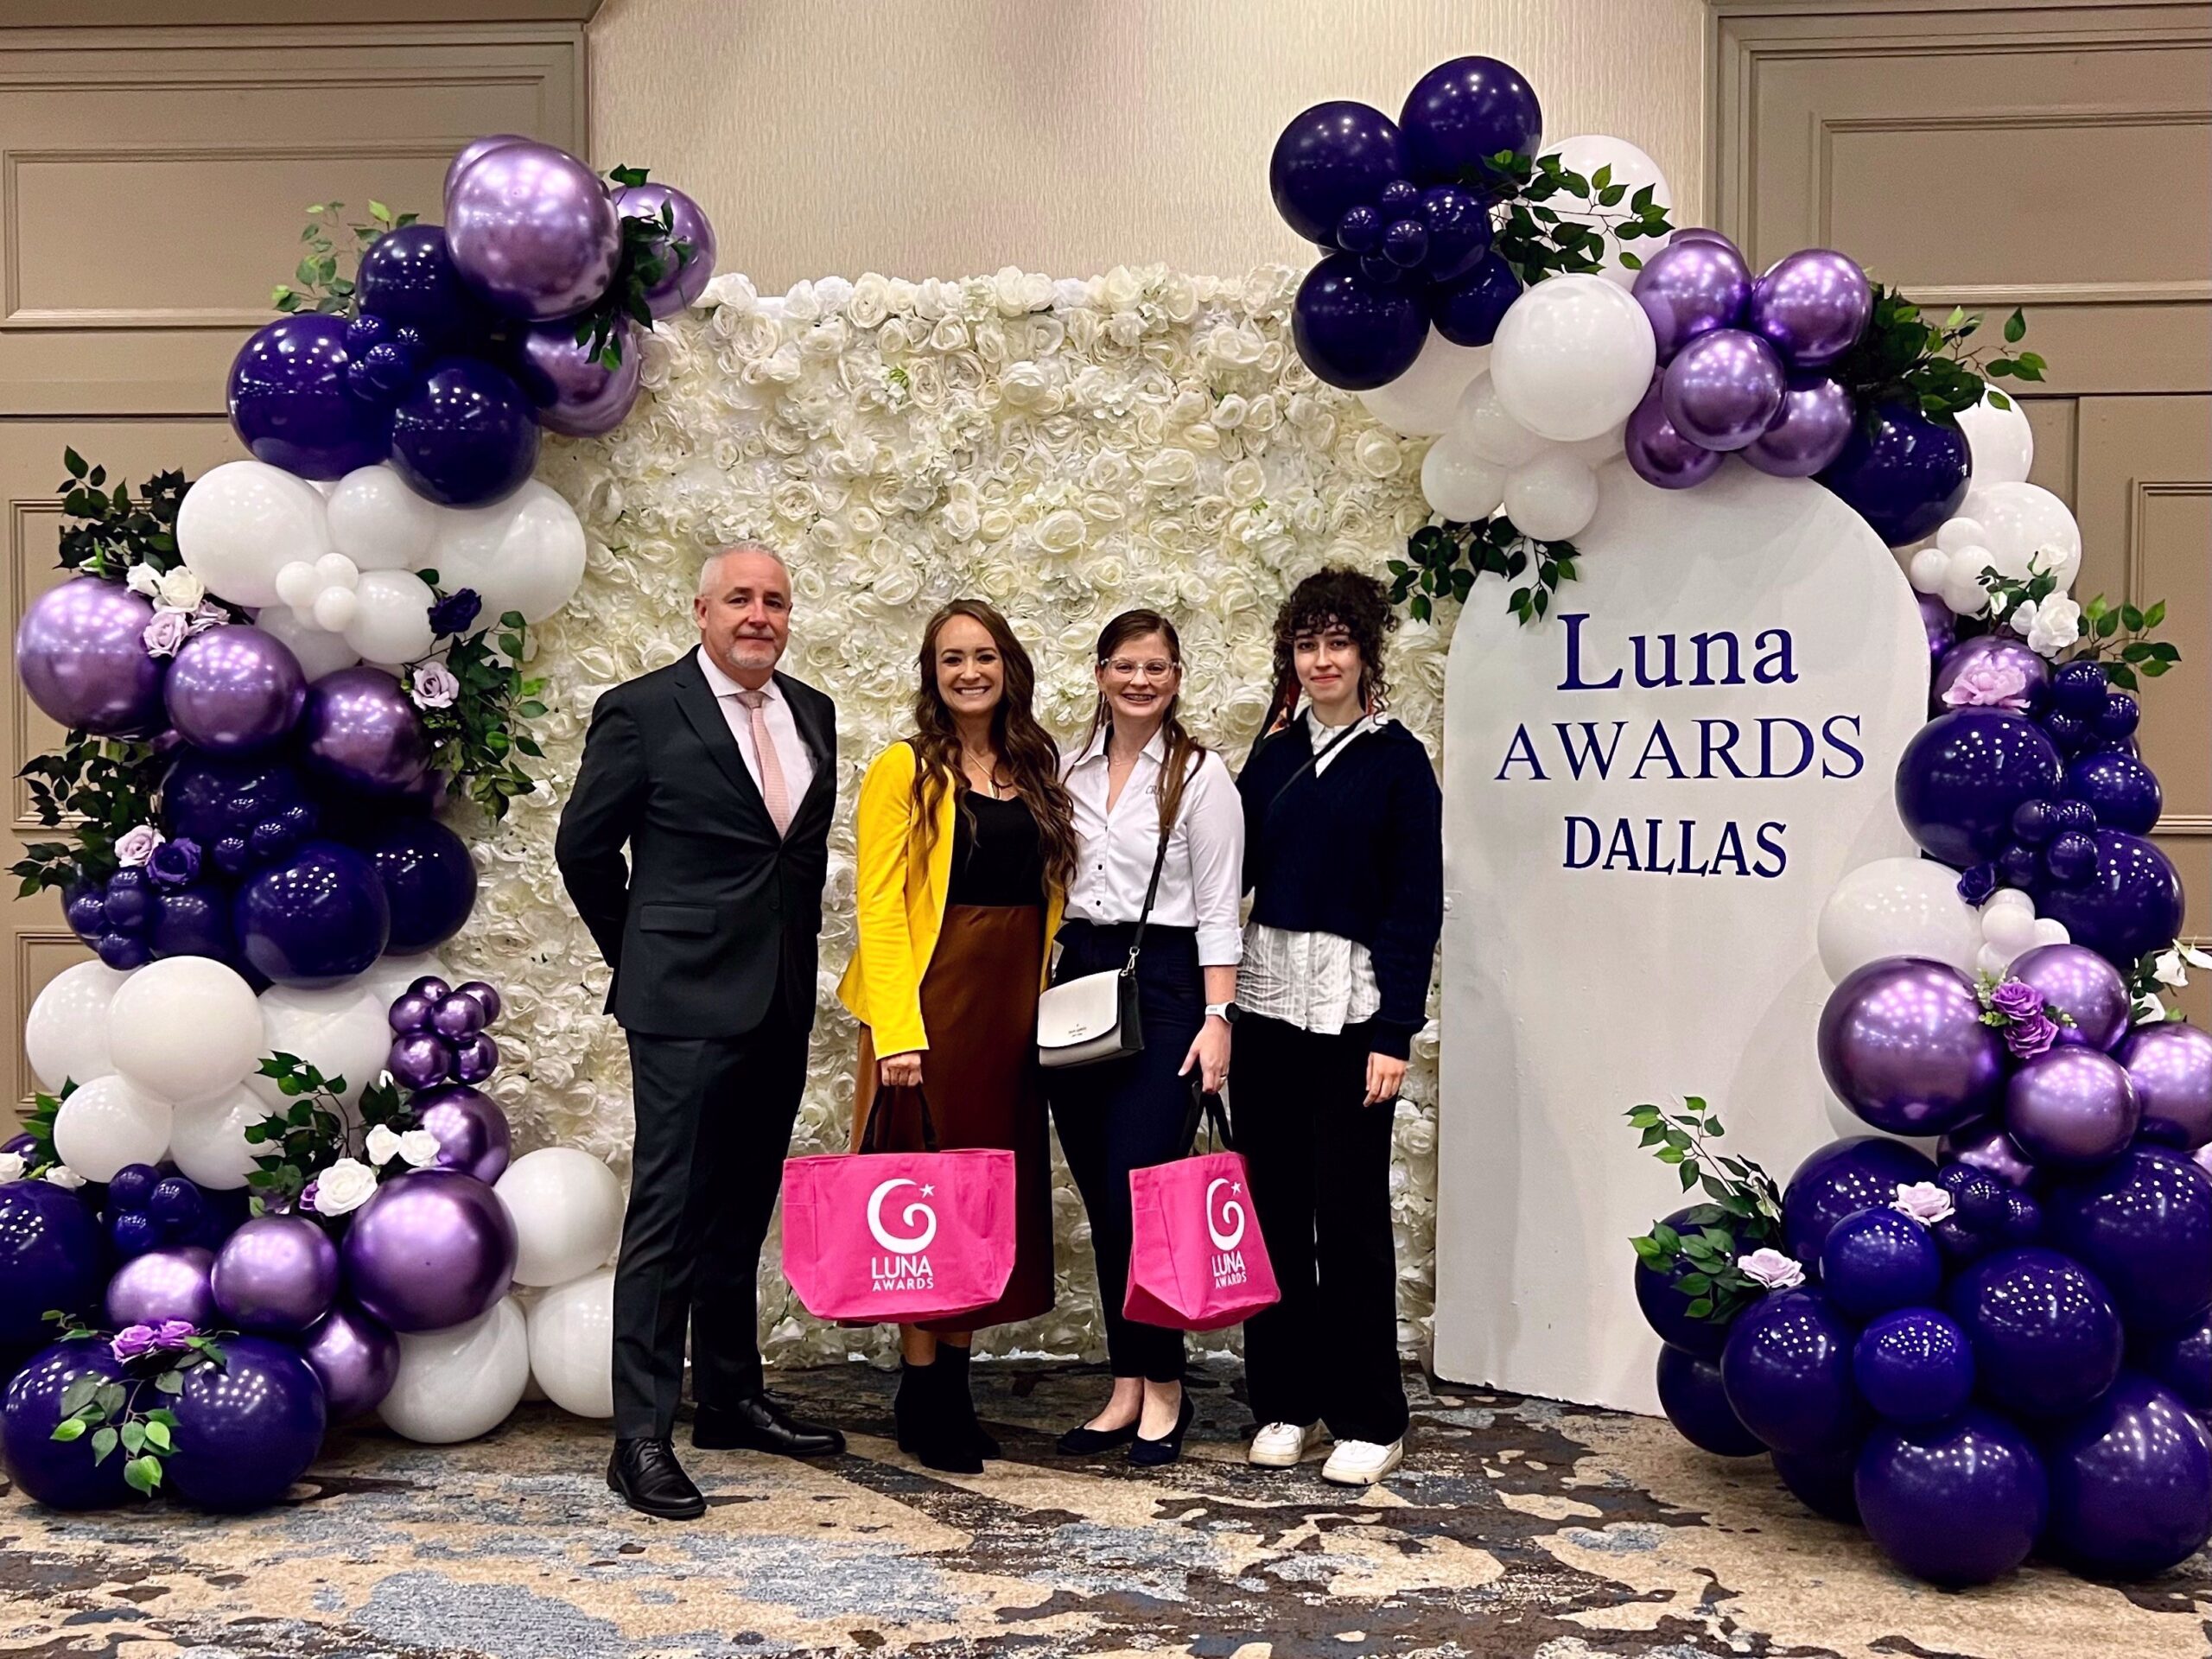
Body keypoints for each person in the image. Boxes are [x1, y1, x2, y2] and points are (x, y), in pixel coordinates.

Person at [556, 542, 846, 1521]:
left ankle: (728, 1395)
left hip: (778, 998)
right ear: (700, 611)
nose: (758, 615)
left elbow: (788, 861)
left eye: (773, 599)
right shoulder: (642, 710)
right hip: (679, 1002)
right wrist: (641, 956)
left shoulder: (813, 712)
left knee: (739, 1207)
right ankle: (639, 1434)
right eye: (739, 599)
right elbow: (584, 849)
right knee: (670, 1216)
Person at [838, 601, 1075, 1473]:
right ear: (932, 675)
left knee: (980, 1199)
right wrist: (898, 1030)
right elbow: (880, 907)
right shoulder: (903, 769)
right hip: (930, 1013)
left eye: (982, 656)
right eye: (950, 660)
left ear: (1007, 666)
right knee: (923, 1195)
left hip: (1011, 1011)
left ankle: (957, 1384)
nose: (968, 672)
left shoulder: (1033, 768)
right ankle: (921, 1391)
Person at [1231, 568, 1443, 1487]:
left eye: (1337, 643)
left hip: (1352, 1014)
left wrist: (1394, 1032)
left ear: (1366, 654)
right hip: (1264, 1006)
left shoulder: (1398, 760)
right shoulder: (1271, 756)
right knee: (1272, 1211)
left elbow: (1413, 905)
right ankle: (1287, 1401)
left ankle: (1369, 1415)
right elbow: (1222, 871)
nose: (1322, 660)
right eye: (1306, 645)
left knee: (1348, 1217)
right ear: (1291, 656)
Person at [1048, 608, 1243, 1467]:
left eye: (1156, 668)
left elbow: (1216, 910)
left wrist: (1217, 1019)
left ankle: (1166, 1388)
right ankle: (1125, 1384)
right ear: (1099, 674)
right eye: (1125, 666)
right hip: (1076, 984)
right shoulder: (1063, 767)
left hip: (1163, 987)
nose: (1139, 681)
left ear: (1175, 679)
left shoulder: (1201, 777)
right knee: (1102, 1197)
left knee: (1145, 1197)